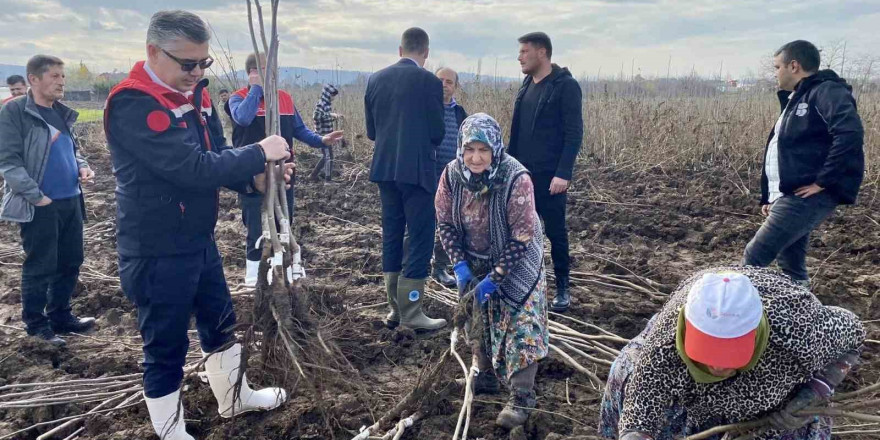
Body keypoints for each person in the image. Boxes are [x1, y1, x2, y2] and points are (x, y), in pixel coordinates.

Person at [104, 11, 293, 440]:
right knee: (166, 344)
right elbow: (188, 167)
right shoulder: (135, 103)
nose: (196, 73)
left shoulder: (197, 97)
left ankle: (234, 397)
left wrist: (254, 179)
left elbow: (216, 157)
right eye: (187, 63)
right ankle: (171, 431)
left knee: (220, 323)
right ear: (153, 52)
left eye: (203, 63)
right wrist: (259, 151)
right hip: (155, 247)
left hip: (197, 239)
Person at [600, 267, 865, 440]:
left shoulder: (799, 332)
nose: (716, 366)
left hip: (771, 408)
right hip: (684, 392)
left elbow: (855, 333)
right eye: (707, 350)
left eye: (729, 353)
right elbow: (643, 403)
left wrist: (815, 389)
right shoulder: (666, 341)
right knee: (625, 370)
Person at [436, 113, 548, 428]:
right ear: (461, 148)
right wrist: (459, 264)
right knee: (477, 316)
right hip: (473, 256)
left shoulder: (516, 177)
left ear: (495, 149)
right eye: (469, 149)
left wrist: (495, 279)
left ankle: (521, 397)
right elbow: (444, 222)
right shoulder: (451, 175)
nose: (475, 157)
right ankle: (483, 375)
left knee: (520, 320)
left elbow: (522, 236)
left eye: (483, 150)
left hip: (517, 257)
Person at [743, 40, 864, 287]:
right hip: (792, 193)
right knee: (791, 267)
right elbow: (786, 148)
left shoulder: (826, 91)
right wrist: (772, 195)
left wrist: (823, 181)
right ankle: (803, 315)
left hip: (808, 195)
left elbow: (850, 134)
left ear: (794, 66)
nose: (775, 73)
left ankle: (735, 321)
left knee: (754, 258)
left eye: (777, 67)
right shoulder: (798, 97)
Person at [0, 55, 96, 346]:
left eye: (62, 76)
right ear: (34, 79)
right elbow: (8, 161)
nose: (61, 82)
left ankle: (61, 316)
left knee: (71, 261)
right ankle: (36, 326)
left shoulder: (61, 112)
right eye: (54, 76)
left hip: (70, 199)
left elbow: (72, 151)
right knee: (41, 264)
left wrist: (83, 166)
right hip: (41, 203)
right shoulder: (16, 112)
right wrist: (37, 196)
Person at [229, 53, 343, 287]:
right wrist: (256, 90)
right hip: (252, 175)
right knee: (255, 224)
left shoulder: (284, 99)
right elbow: (242, 118)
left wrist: (322, 140)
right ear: (253, 72)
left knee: (284, 220)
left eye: (273, 71)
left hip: (284, 174)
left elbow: (299, 130)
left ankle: (285, 269)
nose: (273, 76)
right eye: (266, 71)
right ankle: (254, 276)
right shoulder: (238, 98)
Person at [365, 27, 446, 331]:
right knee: (421, 236)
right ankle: (412, 311)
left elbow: (372, 132)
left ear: (400, 50)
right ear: (425, 52)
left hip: (384, 169)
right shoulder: (429, 81)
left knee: (392, 233)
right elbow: (438, 133)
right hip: (417, 171)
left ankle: (395, 310)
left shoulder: (375, 79)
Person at [507, 32, 583, 313]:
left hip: (551, 178)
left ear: (542, 52)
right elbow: (517, 132)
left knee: (555, 233)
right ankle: (525, 281)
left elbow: (574, 134)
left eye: (524, 51)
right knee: (521, 231)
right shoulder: (526, 85)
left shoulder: (566, 86)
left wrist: (563, 173)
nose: (519, 57)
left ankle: (563, 287)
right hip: (522, 176)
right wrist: (509, 168)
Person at [430, 66, 467, 287]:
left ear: (455, 87)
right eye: (440, 80)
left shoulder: (460, 113)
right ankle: (413, 267)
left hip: (452, 179)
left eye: (449, 82)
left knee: (448, 223)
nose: (444, 85)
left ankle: (440, 267)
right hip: (425, 176)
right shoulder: (424, 109)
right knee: (421, 222)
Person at [310, 83, 340, 182]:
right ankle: (328, 180)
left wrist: (333, 117)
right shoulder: (321, 104)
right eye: (332, 95)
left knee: (326, 156)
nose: (333, 98)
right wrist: (330, 115)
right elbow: (316, 116)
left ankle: (313, 175)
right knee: (328, 157)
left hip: (327, 135)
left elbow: (324, 117)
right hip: (322, 135)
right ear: (327, 94)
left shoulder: (327, 105)